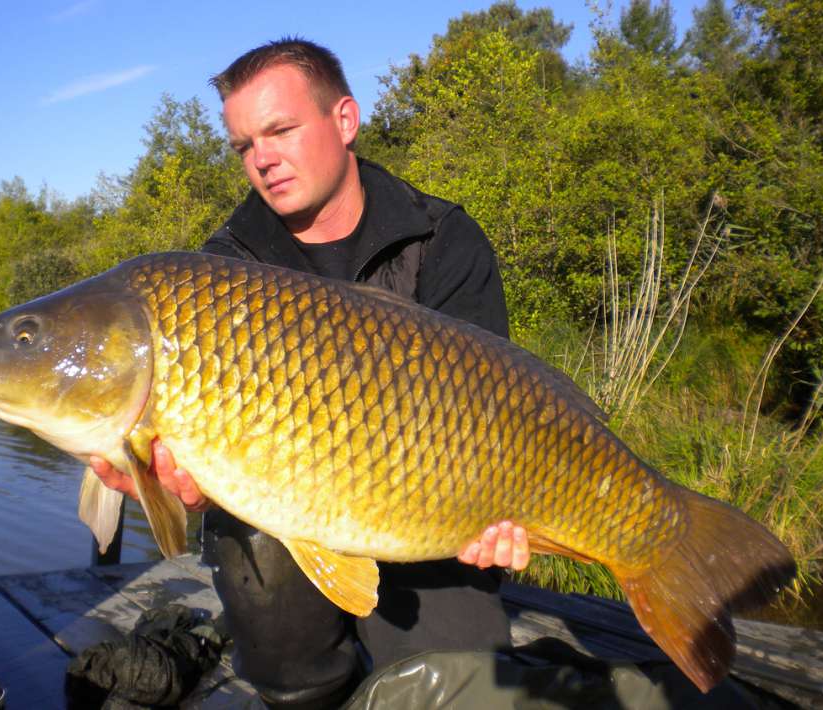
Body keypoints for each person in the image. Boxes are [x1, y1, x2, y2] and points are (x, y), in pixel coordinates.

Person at [91, 38, 531, 709]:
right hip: (285, 518)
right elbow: (202, 459)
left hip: (432, 518)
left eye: (280, 130)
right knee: (262, 587)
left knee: (450, 686)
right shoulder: (224, 269)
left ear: (345, 120)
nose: (261, 158)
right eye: (242, 145)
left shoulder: (440, 237)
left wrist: (501, 510)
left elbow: (498, 403)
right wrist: (185, 485)